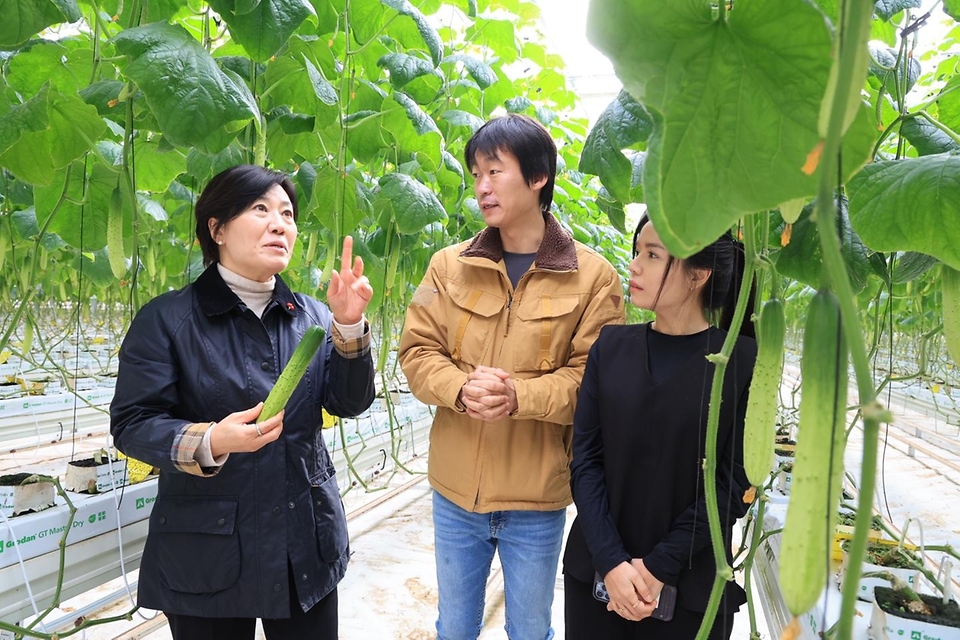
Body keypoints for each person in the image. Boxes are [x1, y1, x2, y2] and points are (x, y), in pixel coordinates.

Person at [110, 164, 375, 640]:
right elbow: (132, 423)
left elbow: (348, 403)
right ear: (217, 229)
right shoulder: (166, 319)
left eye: (288, 214)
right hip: (206, 554)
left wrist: (351, 328)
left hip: (303, 551)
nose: (281, 224)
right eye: (261, 209)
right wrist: (209, 440)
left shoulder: (314, 318)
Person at [398, 114, 626, 640]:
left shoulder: (594, 278)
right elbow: (416, 351)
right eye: (476, 173)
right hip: (455, 493)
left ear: (538, 177)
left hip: (536, 499)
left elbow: (594, 381)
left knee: (529, 630)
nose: (482, 186)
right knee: (454, 628)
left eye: (495, 171)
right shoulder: (446, 266)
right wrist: (459, 388)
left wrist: (517, 395)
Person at [562, 215, 758, 640]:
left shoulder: (741, 363)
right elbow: (585, 462)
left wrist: (656, 567)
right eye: (637, 252)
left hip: (689, 592)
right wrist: (612, 561)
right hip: (597, 579)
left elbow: (734, 484)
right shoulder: (609, 348)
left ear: (698, 275)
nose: (633, 265)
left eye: (652, 255)